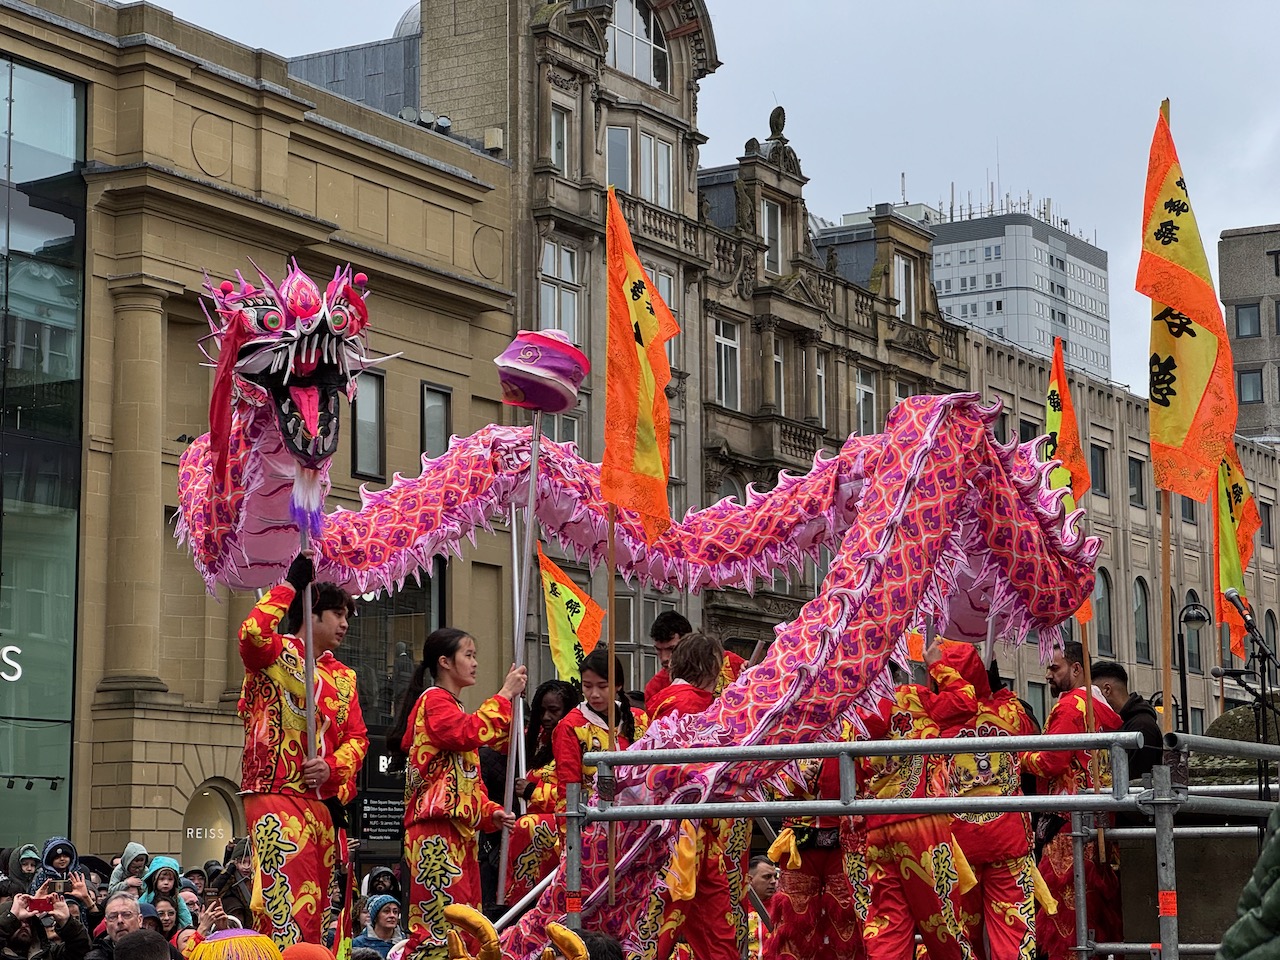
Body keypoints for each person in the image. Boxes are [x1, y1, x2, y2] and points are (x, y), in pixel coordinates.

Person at [237, 552, 369, 947]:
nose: (345, 623)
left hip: (323, 803)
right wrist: (291, 585)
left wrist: (331, 767)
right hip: (276, 792)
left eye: (347, 615)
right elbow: (252, 632)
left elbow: (358, 738)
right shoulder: (273, 654)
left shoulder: (344, 677)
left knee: (321, 912)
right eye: (336, 614)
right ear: (310, 613)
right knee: (288, 910)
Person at [385, 627, 526, 958]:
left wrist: (490, 811)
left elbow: (467, 783)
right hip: (435, 831)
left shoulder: (450, 706)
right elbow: (466, 733)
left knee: (466, 924)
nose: (474, 663)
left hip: (456, 833)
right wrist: (504, 694)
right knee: (441, 925)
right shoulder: (435, 700)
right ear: (445, 662)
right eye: (469, 655)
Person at [857, 636, 978, 960]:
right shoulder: (912, 697)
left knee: (888, 924)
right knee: (944, 924)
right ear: (896, 672)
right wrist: (936, 664)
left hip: (877, 826)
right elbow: (966, 701)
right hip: (921, 821)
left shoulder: (854, 712)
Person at [1020, 641, 1124, 960]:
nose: (1048, 675)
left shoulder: (1070, 706)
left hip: (1068, 823)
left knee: (1063, 914)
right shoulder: (1102, 707)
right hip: (1101, 820)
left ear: (1076, 669)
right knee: (1097, 911)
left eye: (1055, 668)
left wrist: (1018, 756)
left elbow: (1051, 761)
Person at [645, 632, 744, 960]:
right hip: (685, 829)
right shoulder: (691, 703)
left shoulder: (668, 699)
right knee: (671, 917)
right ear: (708, 667)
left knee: (714, 920)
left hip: (696, 827)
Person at [939, 642, 1040, 960]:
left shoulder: (934, 718)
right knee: (1014, 932)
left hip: (956, 842)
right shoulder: (1012, 712)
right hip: (1008, 838)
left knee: (958, 934)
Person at [503, 680, 581, 905]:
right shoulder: (537, 739)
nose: (546, 717)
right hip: (536, 827)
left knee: (526, 825)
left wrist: (532, 791)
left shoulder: (577, 739)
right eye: (542, 711)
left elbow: (576, 792)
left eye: (554, 710)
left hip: (563, 823)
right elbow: (505, 737)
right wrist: (511, 699)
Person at [554, 649, 649, 810]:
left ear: (618, 685)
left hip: (639, 811)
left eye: (602, 686)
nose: (594, 694)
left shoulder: (640, 719)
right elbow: (568, 787)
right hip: (594, 815)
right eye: (587, 686)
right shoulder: (571, 726)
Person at [644, 612, 745, 705]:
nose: (664, 658)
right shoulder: (655, 688)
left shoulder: (731, 663)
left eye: (671, 649)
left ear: (688, 641)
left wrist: (749, 674)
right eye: (658, 650)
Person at [1090, 660, 1163, 782]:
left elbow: (1136, 779)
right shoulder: (1128, 723)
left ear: (1107, 690)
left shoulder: (1142, 726)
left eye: (1093, 693)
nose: (1089, 700)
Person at [2, 891, 90, 960]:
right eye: (18, 921)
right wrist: (11, 917)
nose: (24, 925)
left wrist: (66, 922)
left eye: (28, 921)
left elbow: (80, 948)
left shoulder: (49, 954)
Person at [206, 842, 252, 929]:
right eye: (242, 862)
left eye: (250, 862)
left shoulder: (257, 879)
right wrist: (229, 869)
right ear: (235, 862)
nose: (246, 867)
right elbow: (215, 888)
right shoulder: (230, 878)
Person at [86, 893, 143, 960]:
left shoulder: (153, 949)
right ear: (106, 925)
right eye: (113, 917)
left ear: (139, 920)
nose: (120, 920)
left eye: (126, 915)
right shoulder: (95, 958)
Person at [140, 861, 191, 931]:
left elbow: (185, 919)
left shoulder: (177, 899)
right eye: (162, 879)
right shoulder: (147, 898)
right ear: (154, 880)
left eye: (170, 879)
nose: (166, 882)